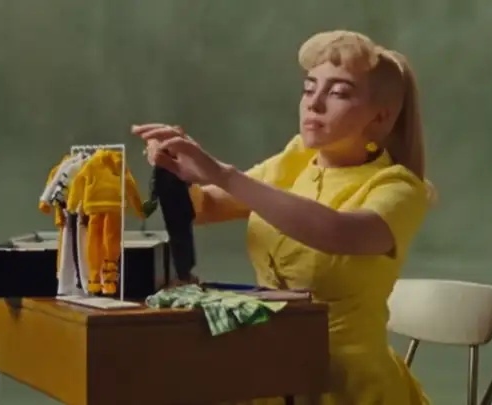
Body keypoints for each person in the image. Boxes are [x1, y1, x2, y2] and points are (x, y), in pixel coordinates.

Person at [133, 29, 433, 405]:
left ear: (380, 118)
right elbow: (205, 207)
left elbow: (338, 233)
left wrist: (223, 174)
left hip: (348, 385)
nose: (314, 104)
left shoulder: (399, 187)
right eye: (309, 89)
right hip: (272, 371)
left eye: (338, 93)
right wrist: (176, 169)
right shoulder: (296, 159)